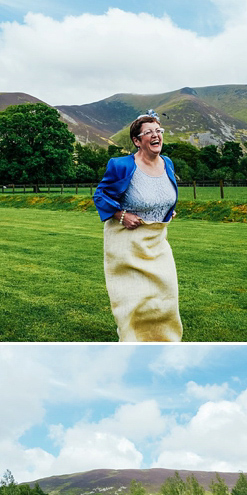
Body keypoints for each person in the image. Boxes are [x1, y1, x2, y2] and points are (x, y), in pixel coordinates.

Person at [92, 112, 182, 342]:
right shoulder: (120, 165)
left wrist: (167, 209)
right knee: (133, 298)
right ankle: (132, 338)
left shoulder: (168, 163)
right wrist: (120, 214)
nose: (156, 135)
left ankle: (165, 340)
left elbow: (164, 193)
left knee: (166, 293)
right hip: (127, 241)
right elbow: (100, 195)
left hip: (157, 241)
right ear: (136, 141)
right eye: (149, 132)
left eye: (158, 131)